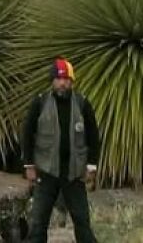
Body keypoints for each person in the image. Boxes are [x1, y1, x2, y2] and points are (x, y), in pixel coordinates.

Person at [22, 58, 100, 243]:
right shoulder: (40, 103)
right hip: (46, 172)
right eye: (59, 79)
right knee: (38, 223)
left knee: (82, 222)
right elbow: (27, 134)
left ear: (72, 82)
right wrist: (29, 165)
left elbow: (93, 136)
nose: (63, 83)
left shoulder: (82, 104)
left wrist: (91, 166)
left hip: (74, 173)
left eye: (67, 79)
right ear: (52, 81)